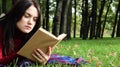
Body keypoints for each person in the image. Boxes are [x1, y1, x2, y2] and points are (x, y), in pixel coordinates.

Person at [0, 0, 52, 66]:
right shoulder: (2, 29)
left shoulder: (32, 35)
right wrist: (22, 54)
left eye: (35, 19)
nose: (30, 22)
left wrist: (43, 60)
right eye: (27, 16)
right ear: (16, 14)